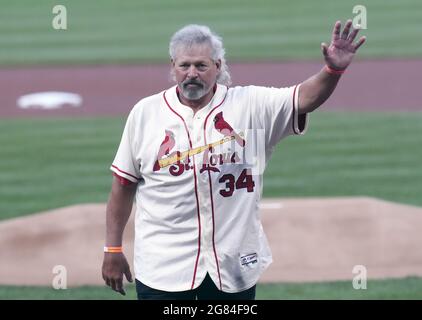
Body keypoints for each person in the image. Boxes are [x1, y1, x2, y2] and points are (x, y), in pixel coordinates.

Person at [102, 20, 365, 300]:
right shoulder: (145, 113)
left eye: (201, 66)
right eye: (184, 65)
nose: (192, 73)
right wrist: (113, 249)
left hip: (231, 269)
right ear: (172, 66)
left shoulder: (251, 106)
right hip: (163, 270)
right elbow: (123, 185)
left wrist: (333, 70)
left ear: (218, 65)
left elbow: (304, 98)